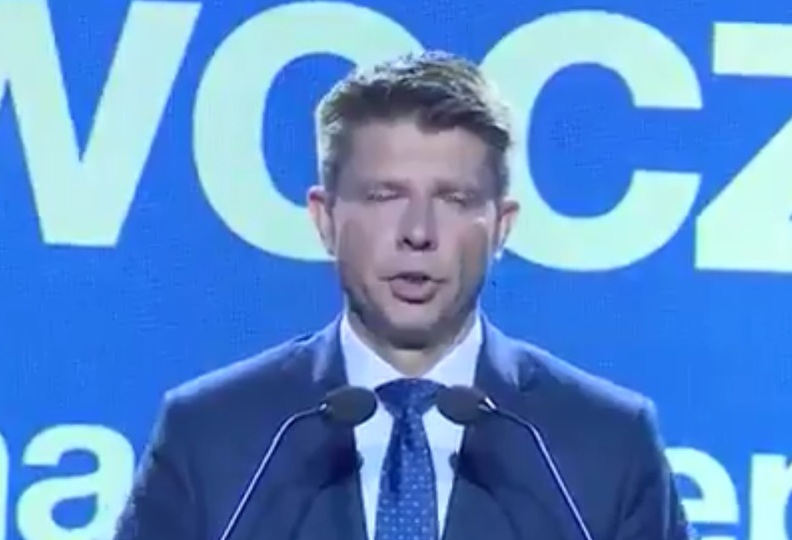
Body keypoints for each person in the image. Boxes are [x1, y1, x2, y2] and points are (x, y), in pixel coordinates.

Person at [112, 50, 694, 540]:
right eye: (384, 196)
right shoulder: (211, 435)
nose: (418, 232)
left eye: (454, 199)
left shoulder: (606, 443)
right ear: (325, 219)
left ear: (501, 227)